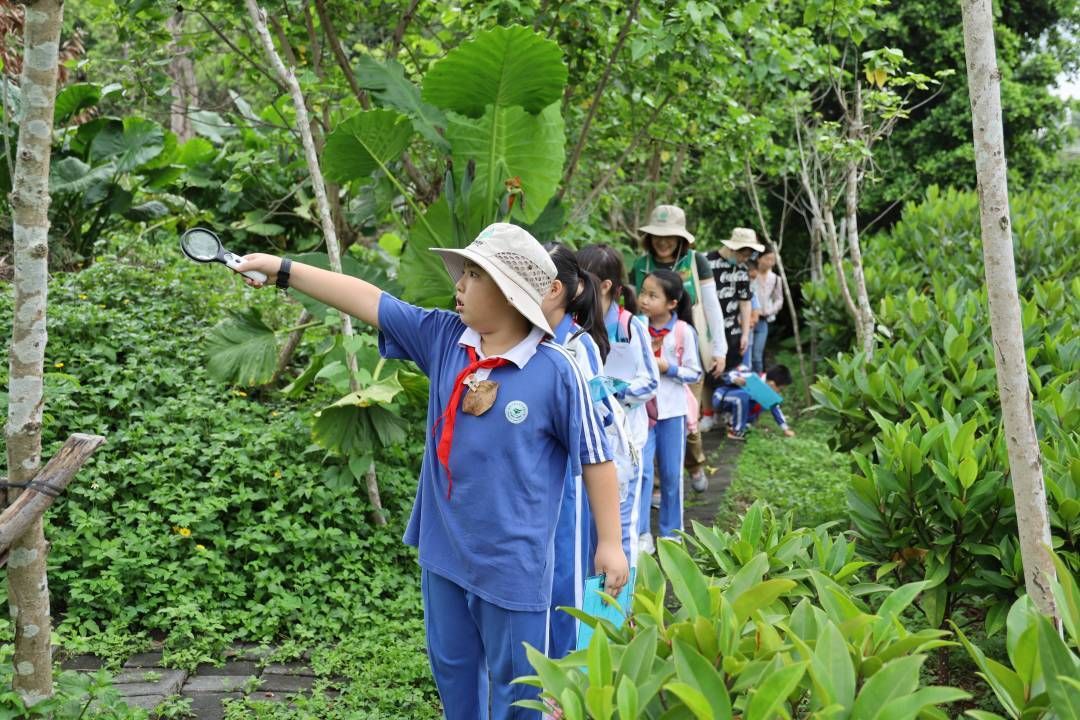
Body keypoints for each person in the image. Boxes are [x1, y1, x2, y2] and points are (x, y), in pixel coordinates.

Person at [235, 224, 628, 720]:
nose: (458, 286)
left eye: (473, 276)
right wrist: (281, 269)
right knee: (454, 674)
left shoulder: (556, 369)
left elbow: (597, 457)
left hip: (514, 570)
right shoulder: (445, 338)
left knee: (521, 692)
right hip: (444, 556)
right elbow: (370, 299)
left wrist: (610, 543)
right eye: (462, 273)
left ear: (510, 294)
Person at [540, 242, 624, 659]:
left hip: (571, 484)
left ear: (559, 290)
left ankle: (568, 677)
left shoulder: (578, 345)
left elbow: (600, 417)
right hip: (534, 485)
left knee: (567, 582)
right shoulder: (522, 339)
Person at [630, 205, 725, 493]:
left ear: (680, 237)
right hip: (650, 350)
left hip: (688, 352)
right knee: (649, 416)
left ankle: (694, 464)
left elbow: (711, 305)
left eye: (669, 235)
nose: (663, 241)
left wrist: (719, 348)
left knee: (687, 417)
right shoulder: (640, 265)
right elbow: (635, 309)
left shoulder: (696, 262)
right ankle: (657, 484)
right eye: (657, 235)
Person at [577, 244, 659, 567]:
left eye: (583, 280)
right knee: (590, 533)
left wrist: (613, 392)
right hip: (589, 444)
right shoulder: (574, 325)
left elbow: (650, 381)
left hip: (625, 444)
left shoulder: (630, 326)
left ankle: (621, 614)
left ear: (606, 286)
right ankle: (589, 611)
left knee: (622, 533)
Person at [637, 269, 703, 550]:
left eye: (653, 295)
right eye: (643, 293)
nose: (644, 300)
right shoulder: (636, 325)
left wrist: (669, 368)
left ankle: (671, 532)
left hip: (672, 412)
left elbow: (695, 372)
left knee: (671, 474)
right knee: (641, 473)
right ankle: (641, 533)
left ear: (672, 303)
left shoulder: (683, 331)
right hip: (640, 410)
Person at [707, 227, 765, 372]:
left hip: (732, 335)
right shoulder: (705, 262)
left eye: (748, 257)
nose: (745, 260)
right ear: (733, 248)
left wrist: (745, 334)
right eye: (743, 255)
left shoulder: (742, 270)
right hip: (708, 334)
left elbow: (745, 303)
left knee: (729, 378)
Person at [712, 364, 796, 440]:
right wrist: (735, 379)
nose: (779, 392)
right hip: (722, 397)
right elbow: (727, 375)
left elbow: (775, 408)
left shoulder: (767, 393)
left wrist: (786, 429)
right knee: (742, 396)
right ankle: (736, 431)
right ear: (772, 384)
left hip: (737, 403)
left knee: (758, 402)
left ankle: (735, 422)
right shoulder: (752, 376)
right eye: (780, 389)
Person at [752, 245, 784, 374]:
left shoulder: (776, 279)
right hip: (747, 318)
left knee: (757, 355)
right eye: (767, 258)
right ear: (759, 259)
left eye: (772, 259)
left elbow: (779, 299)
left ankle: (758, 382)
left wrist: (770, 310)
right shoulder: (751, 274)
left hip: (763, 320)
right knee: (746, 353)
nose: (770, 262)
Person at [741, 258, 762, 368]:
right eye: (750, 277)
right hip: (730, 339)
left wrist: (742, 322)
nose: (751, 281)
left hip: (746, 338)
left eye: (754, 278)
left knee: (745, 367)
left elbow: (755, 317)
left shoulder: (752, 292)